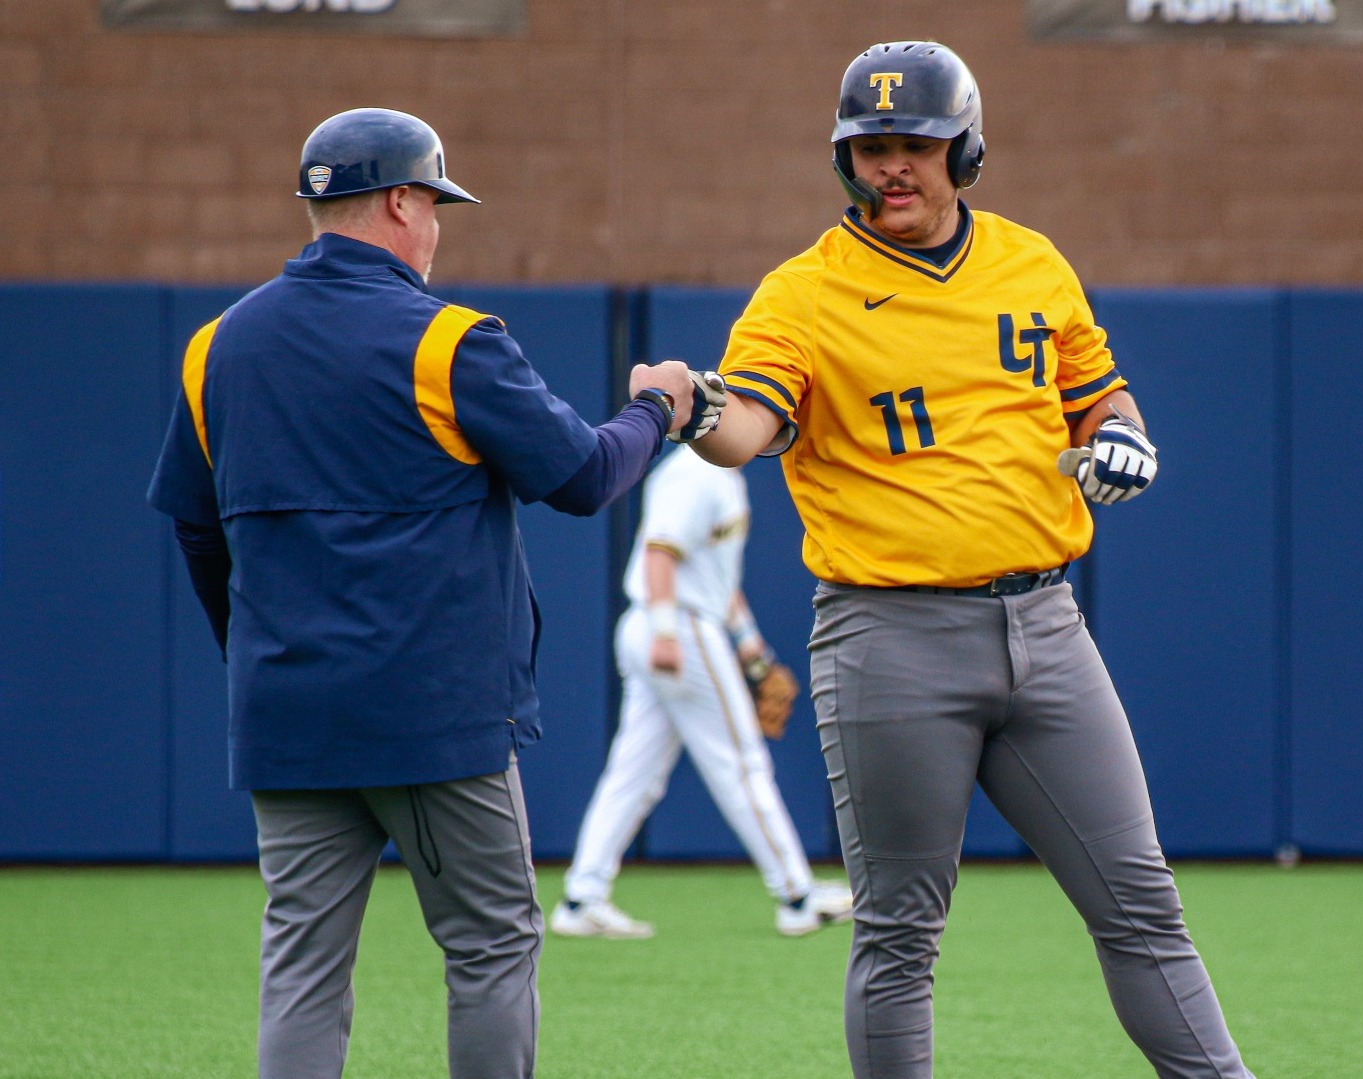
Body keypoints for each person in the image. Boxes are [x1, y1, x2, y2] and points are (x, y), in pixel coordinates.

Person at [689, 41, 1254, 1079]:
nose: (892, 167)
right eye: (871, 148)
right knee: (899, 932)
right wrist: (696, 408)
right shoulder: (801, 292)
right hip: (889, 636)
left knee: (1141, 902)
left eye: (916, 145)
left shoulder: (1031, 261)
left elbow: (1096, 391)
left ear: (966, 150)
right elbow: (747, 428)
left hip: (1046, 624)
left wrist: (1126, 434)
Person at [145, 107, 724, 1079]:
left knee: (301, 968)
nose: (436, 227)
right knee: (491, 945)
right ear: (403, 202)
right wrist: (657, 407)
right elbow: (584, 478)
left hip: (288, 707)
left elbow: (198, 531)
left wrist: (254, 654)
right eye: (434, 205)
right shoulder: (446, 341)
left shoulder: (215, 346)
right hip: (433, 715)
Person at [552, 445, 855, 939]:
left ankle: (581, 898)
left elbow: (714, 575)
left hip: (673, 623)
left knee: (634, 773)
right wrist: (667, 633)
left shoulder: (720, 474)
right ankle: (797, 896)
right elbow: (659, 553)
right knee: (741, 763)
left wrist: (752, 650)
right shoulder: (694, 472)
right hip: (679, 627)